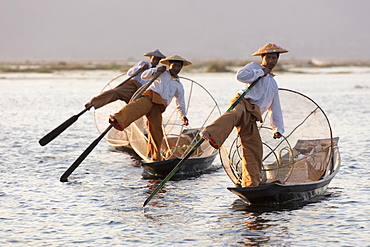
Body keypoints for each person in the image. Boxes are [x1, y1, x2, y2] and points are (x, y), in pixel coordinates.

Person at [200, 43, 288, 187]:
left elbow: (275, 107)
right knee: (234, 115)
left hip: (252, 115)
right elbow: (240, 76)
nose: (272, 61)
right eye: (269, 58)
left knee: (255, 149)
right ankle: (211, 133)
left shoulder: (273, 83)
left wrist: (277, 128)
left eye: (274, 58)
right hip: (242, 102)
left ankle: (251, 183)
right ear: (262, 58)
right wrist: (260, 72)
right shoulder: (254, 67)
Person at [109, 55, 191, 161]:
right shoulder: (161, 73)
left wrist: (183, 116)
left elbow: (180, 103)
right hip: (150, 97)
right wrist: (156, 69)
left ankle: (154, 157)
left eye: (179, 66)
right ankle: (117, 120)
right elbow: (144, 76)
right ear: (170, 65)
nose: (176, 68)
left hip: (159, 106)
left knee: (157, 132)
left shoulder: (179, 85)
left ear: (181, 68)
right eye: (174, 65)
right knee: (135, 107)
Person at [85, 49, 166, 109]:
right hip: (131, 85)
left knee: (136, 109)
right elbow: (129, 73)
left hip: (142, 90)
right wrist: (139, 68)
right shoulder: (143, 64)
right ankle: (93, 102)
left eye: (157, 59)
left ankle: (142, 129)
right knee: (115, 92)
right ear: (150, 58)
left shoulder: (158, 71)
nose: (155, 61)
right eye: (154, 58)